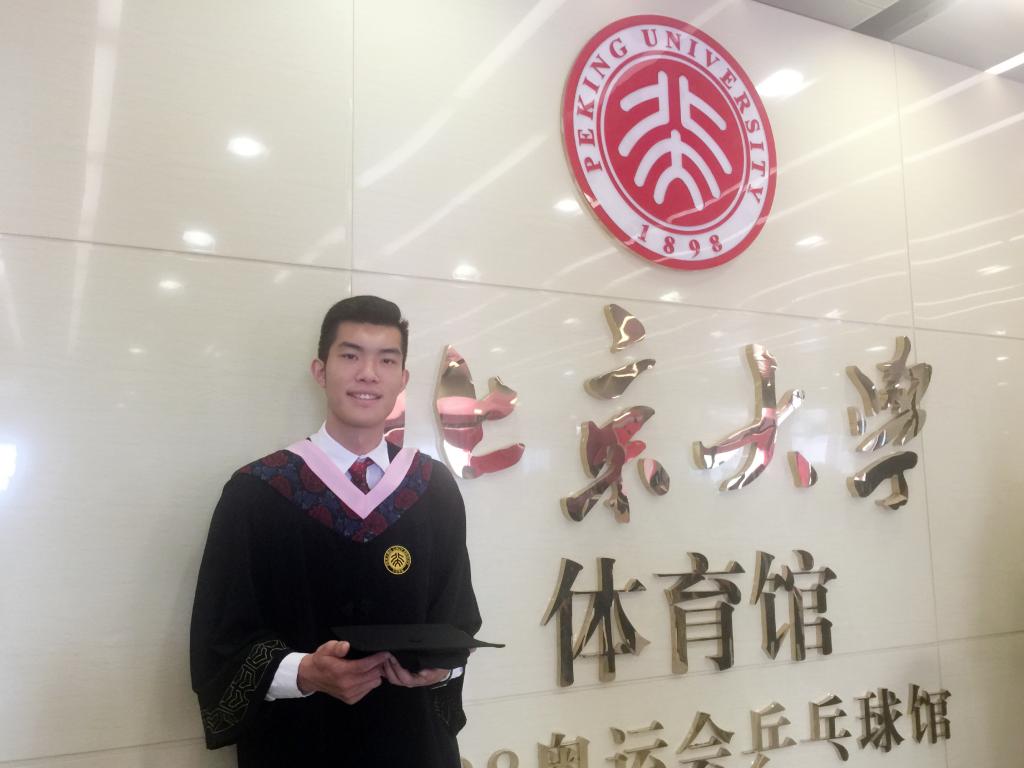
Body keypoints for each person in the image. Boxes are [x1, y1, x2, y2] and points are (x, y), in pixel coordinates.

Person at [190, 295, 481, 767]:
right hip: (298, 745)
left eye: (386, 360)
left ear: (402, 379)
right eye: (350, 355)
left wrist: (441, 668)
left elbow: (458, 618)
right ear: (320, 371)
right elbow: (220, 641)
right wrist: (305, 672)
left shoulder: (433, 489)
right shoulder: (258, 491)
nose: (368, 373)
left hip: (413, 743)